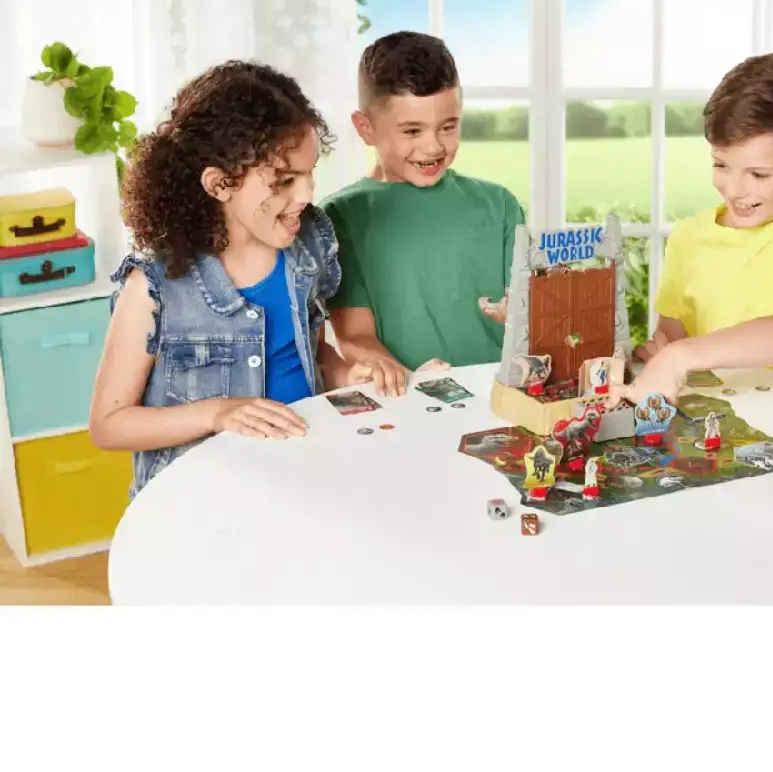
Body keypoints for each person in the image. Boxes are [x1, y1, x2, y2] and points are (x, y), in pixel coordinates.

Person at [89, 60, 366, 496]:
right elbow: (108, 424)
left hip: (299, 479)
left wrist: (347, 375)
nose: (307, 194)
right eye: (284, 180)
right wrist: (217, 413)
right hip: (201, 500)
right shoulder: (154, 286)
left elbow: (310, 354)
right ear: (219, 185)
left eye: (310, 173)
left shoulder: (309, 244)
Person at [623, 51, 773, 405]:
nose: (733, 189)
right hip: (708, 422)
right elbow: (669, 343)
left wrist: (680, 356)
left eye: (758, 175)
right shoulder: (688, 237)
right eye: (721, 165)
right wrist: (661, 356)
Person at [322, 31, 524, 397]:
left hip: (501, 398)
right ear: (365, 128)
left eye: (448, 127)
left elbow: (528, 316)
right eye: (412, 131)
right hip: (410, 403)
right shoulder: (341, 216)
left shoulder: (499, 204)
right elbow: (354, 335)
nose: (433, 147)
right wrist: (412, 384)